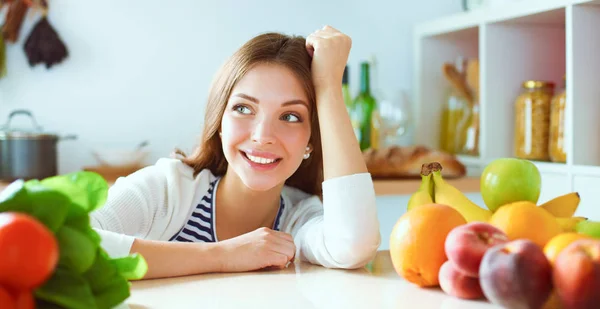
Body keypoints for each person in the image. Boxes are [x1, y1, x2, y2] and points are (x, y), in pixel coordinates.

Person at [90, 25, 381, 279]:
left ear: (311, 141)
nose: (262, 136)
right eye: (244, 109)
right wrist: (223, 255)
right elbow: (70, 242)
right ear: (219, 122)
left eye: (290, 116)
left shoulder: (299, 219)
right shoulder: (167, 190)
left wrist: (329, 86)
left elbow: (354, 244)